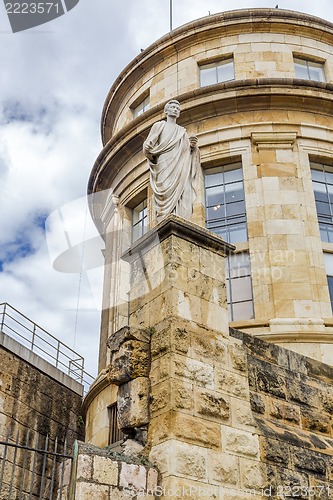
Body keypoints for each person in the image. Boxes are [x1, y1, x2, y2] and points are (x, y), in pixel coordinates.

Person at [143, 100, 200, 222]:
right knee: (165, 191)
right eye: (173, 107)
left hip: (180, 167)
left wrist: (193, 147)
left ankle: (179, 218)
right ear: (166, 111)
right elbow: (149, 144)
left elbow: (187, 153)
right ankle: (165, 219)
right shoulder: (159, 126)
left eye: (177, 108)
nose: (175, 109)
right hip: (164, 164)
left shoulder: (182, 132)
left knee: (182, 191)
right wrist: (147, 147)